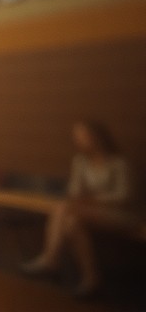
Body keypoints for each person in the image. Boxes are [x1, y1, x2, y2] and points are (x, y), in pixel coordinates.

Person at [21, 120, 138, 298]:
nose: (79, 140)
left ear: (97, 137)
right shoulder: (81, 161)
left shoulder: (118, 163)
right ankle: (91, 280)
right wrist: (78, 195)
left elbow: (125, 196)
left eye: (83, 136)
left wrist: (91, 199)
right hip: (91, 213)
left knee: (64, 210)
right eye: (77, 137)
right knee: (72, 222)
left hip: (122, 214)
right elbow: (74, 192)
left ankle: (51, 259)